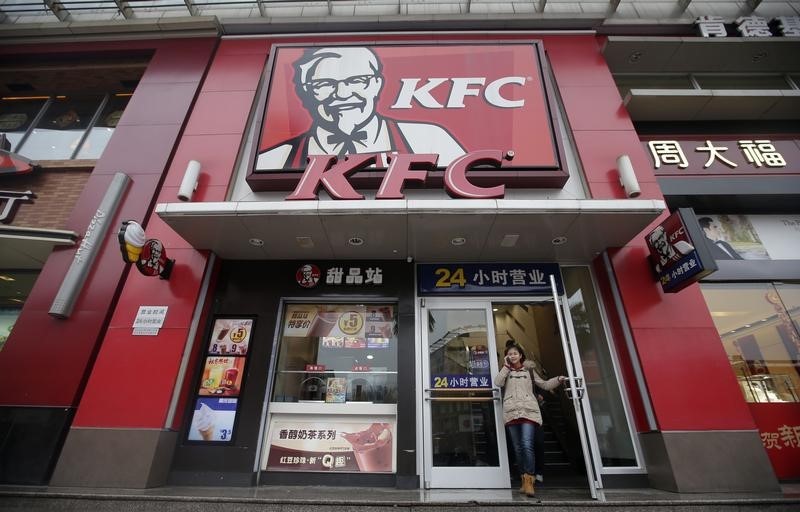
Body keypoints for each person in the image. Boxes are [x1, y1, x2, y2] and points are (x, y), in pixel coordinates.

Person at [256, 46, 465, 170]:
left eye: (357, 80)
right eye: (325, 84)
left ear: (377, 84)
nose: (343, 93)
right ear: (306, 92)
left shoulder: (429, 138)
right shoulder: (274, 159)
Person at [494, 340, 566, 497]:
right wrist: (506, 367)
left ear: (521, 355)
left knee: (527, 444)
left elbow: (545, 385)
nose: (512, 356)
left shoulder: (530, 371)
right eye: (510, 354)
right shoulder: (506, 371)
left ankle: (529, 479)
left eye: (515, 353)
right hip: (512, 412)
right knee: (518, 448)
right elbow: (497, 382)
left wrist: (558, 379)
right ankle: (523, 479)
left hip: (529, 411)